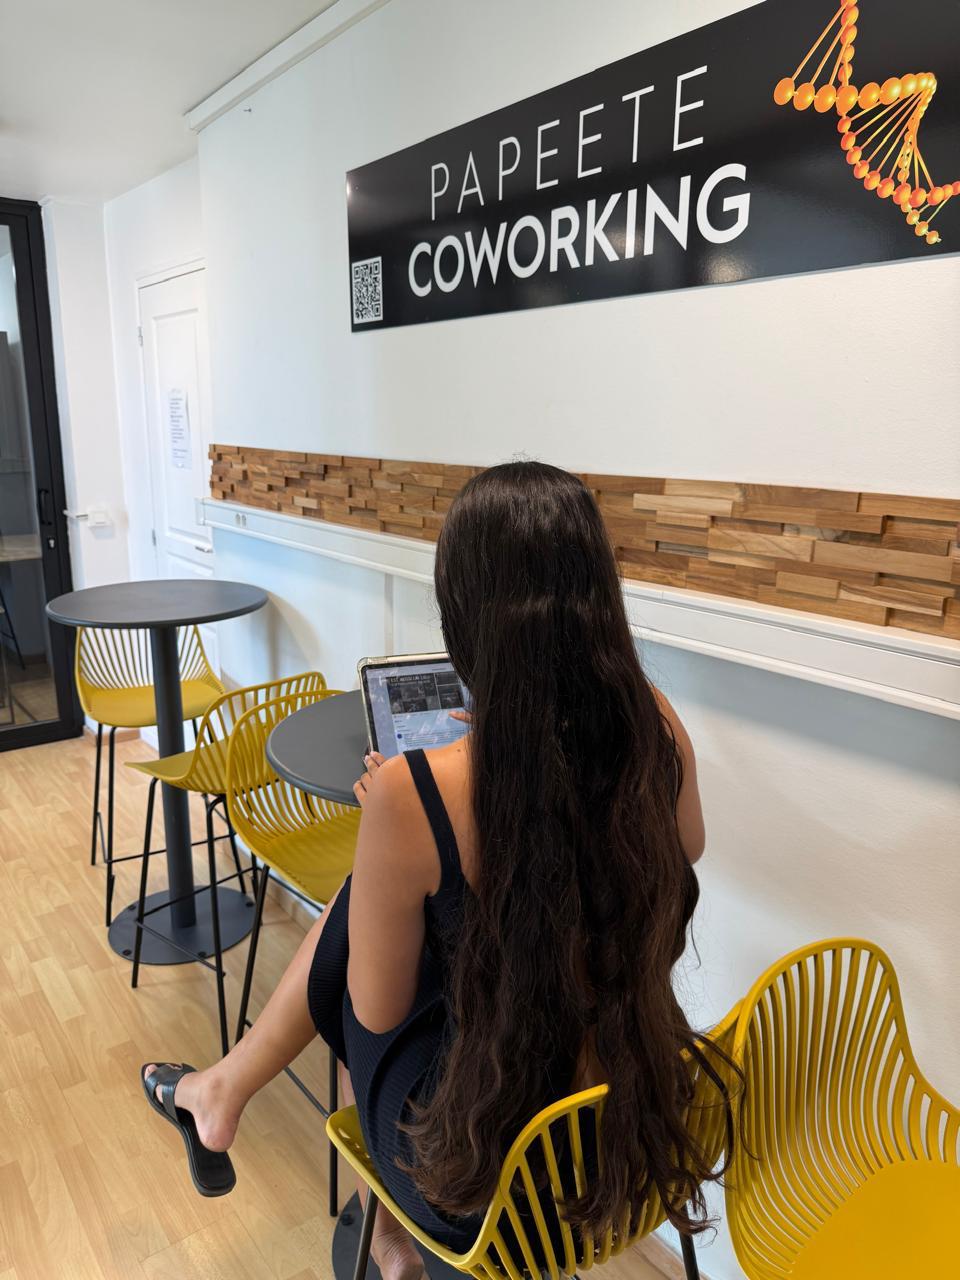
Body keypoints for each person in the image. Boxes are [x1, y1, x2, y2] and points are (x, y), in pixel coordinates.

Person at [140, 461, 732, 1280]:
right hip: (624, 1124)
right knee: (414, 927)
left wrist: (391, 834)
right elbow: (686, 847)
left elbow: (375, 1011)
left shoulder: (414, 793)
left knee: (349, 961)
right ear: (599, 598)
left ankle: (366, 1224)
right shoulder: (655, 730)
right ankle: (223, 1094)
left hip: (479, 1181)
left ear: (464, 617)